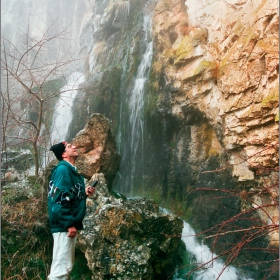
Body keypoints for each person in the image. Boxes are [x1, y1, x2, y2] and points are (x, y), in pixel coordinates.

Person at [47, 141, 95, 280]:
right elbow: (58, 201)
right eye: (69, 146)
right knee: (60, 271)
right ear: (63, 154)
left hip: (65, 225)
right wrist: (69, 224)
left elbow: (68, 195)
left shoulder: (69, 171)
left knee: (65, 267)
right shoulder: (63, 170)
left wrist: (84, 193)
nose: (74, 147)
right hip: (64, 226)